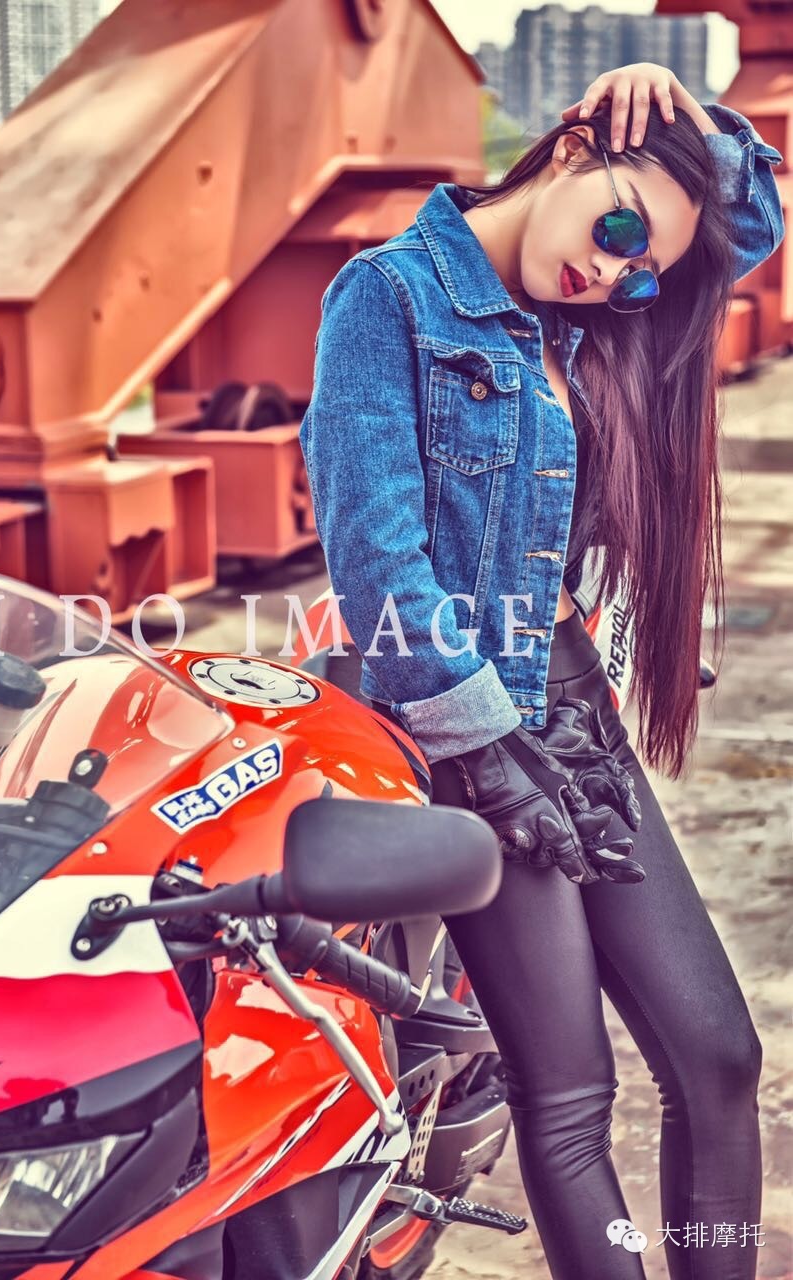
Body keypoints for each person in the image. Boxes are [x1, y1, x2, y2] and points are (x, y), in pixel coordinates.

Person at [300, 62, 784, 1280]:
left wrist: (693, 120)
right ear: (572, 144)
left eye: (640, 271)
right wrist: (481, 749)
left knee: (716, 1055)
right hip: (464, 732)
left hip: (576, 718)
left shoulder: (581, 318)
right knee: (569, 1093)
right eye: (618, 232)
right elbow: (376, 555)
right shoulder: (390, 296)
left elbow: (750, 226)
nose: (614, 275)